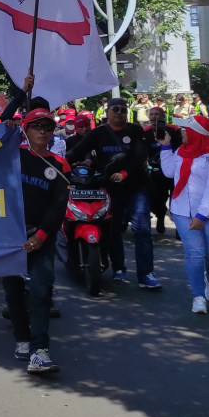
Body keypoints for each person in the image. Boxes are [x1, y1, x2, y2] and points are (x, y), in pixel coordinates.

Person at [66, 97, 162, 290]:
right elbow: (76, 152)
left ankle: (146, 274)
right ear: (107, 112)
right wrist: (58, 165)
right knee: (112, 230)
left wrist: (124, 173)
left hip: (136, 187)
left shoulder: (135, 130)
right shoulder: (98, 133)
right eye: (115, 109)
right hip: (109, 190)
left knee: (142, 230)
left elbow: (140, 156)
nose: (119, 112)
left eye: (123, 110)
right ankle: (119, 269)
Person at [3, 108, 67, 374]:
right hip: (9, 235)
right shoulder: (11, 156)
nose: (43, 131)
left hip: (42, 236)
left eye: (48, 127)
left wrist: (41, 235)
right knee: (14, 291)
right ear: (25, 130)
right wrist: (5, 124)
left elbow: (58, 205)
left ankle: (40, 350)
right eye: (37, 126)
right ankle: (22, 337)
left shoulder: (59, 166)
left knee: (41, 291)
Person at [159, 114, 209, 314]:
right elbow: (169, 172)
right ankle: (198, 296)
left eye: (184, 129)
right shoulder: (181, 150)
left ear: (194, 132)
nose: (180, 132)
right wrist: (165, 147)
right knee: (195, 253)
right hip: (182, 210)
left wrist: (201, 215)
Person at [144, 106, 183, 234]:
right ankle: (160, 217)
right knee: (157, 199)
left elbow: (180, 149)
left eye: (157, 114)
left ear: (163, 117)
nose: (154, 117)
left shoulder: (174, 130)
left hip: (173, 170)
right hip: (156, 171)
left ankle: (179, 228)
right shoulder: (145, 132)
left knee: (176, 200)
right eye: (151, 114)